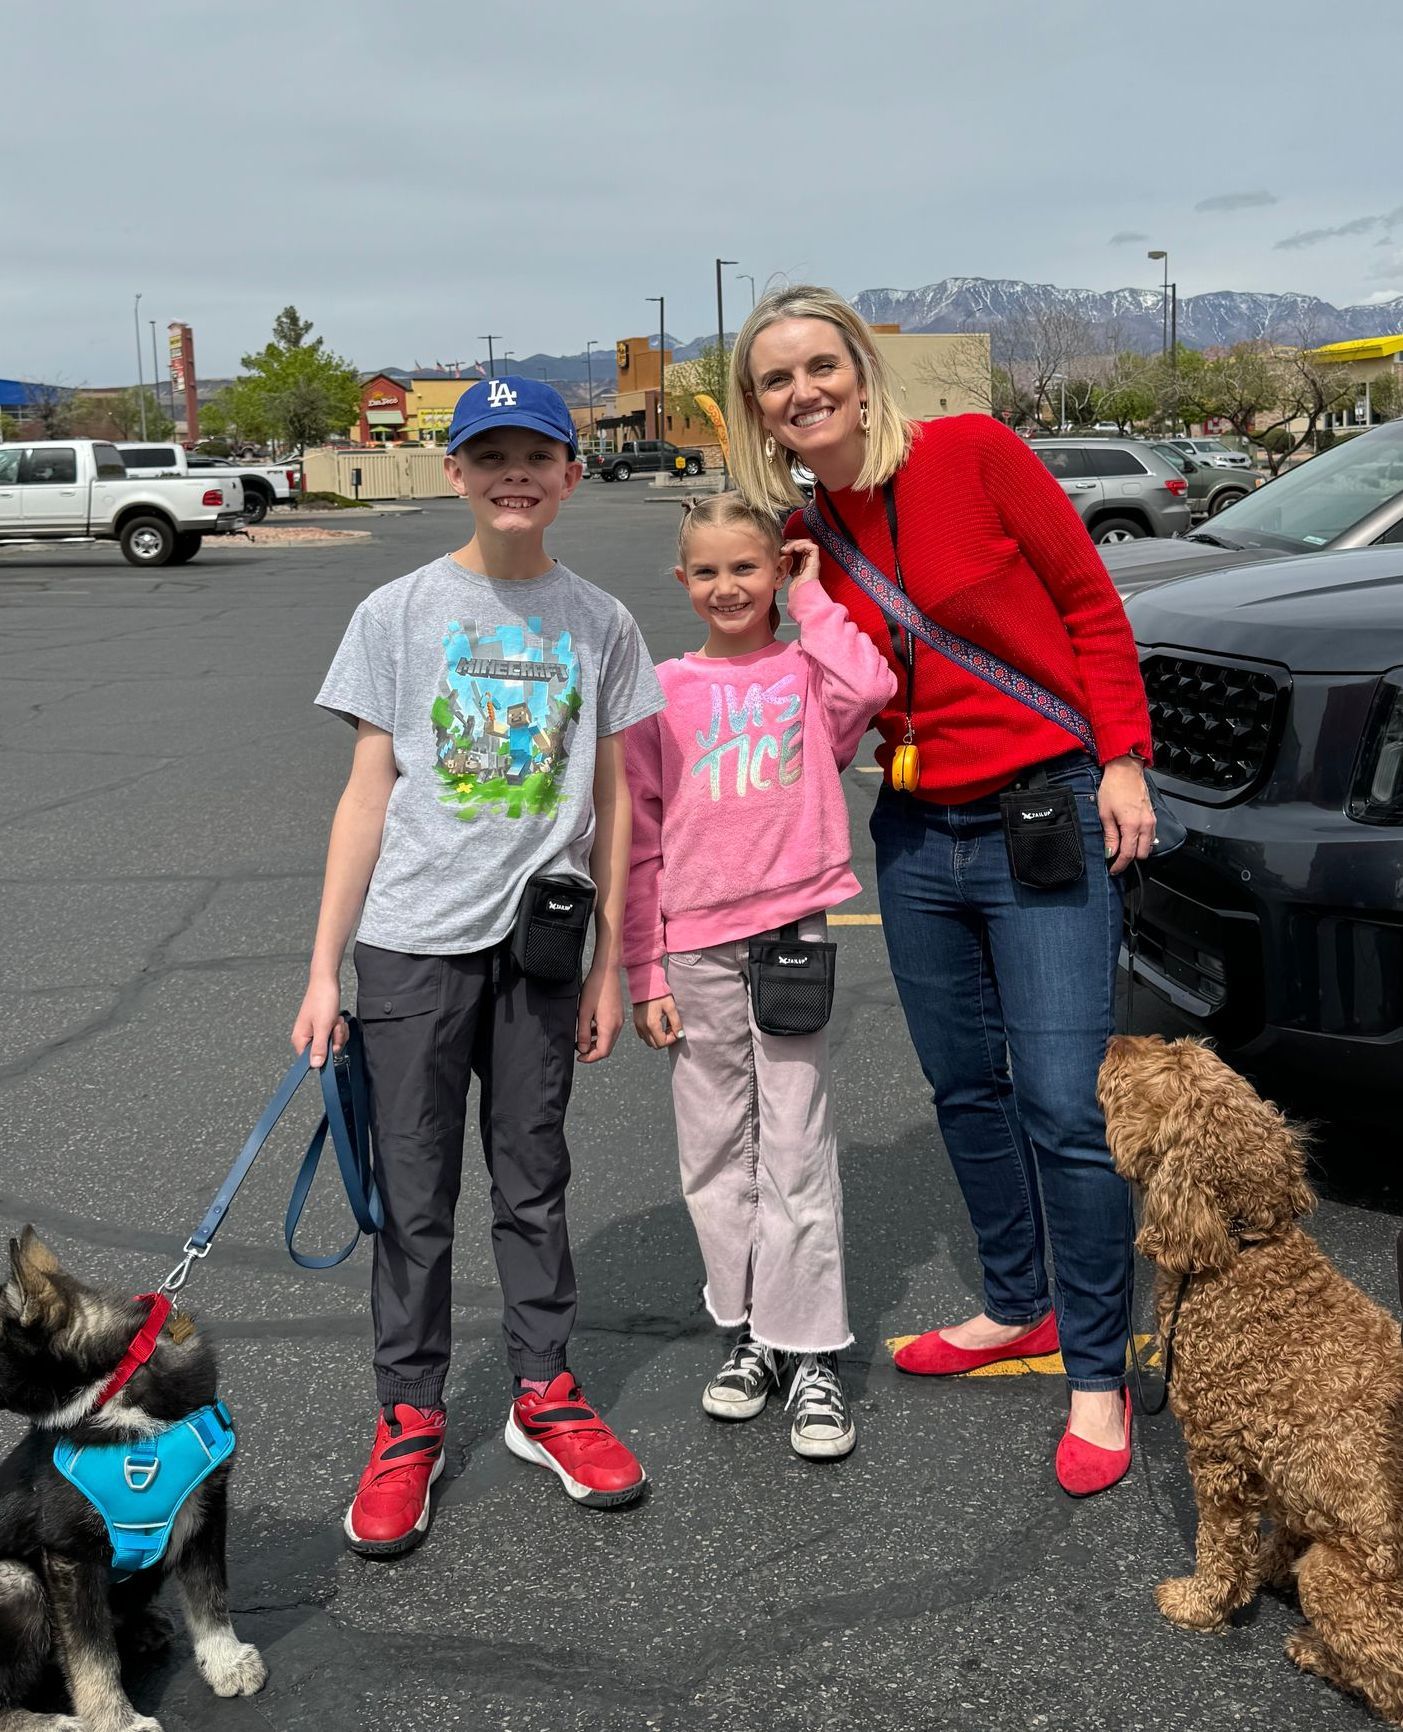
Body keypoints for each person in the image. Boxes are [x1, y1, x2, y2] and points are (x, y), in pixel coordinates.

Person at [727, 288, 1155, 1498]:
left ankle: (1093, 1362)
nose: (802, 391)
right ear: (759, 408)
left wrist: (1119, 756)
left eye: (821, 366)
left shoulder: (973, 452)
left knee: (1065, 1104)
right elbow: (810, 695)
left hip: (1041, 810)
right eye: (776, 379)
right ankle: (1014, 1304)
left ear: (861, 373)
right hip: (915, 827)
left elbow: (1086, 601)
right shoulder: (807, 531)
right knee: (963, 1084)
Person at [292, 377, 665, 1555]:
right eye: (488, 452)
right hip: (410, 945)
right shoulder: (396, 612)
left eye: (536, 454)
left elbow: (612, 796)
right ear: (452, 471)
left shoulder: (600, 621)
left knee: (532, 1178)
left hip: (542, 947)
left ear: (569, 474)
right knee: (413, 1197)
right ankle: (408, 1415)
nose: (514, 472)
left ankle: (542, 1393)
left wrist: (613, 961)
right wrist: (321, 972)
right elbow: (365, 795)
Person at [623, 493, 896, 1459]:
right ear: (682, 581)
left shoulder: (805, 673)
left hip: (787, 934)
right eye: (707, 572)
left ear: (775, 570)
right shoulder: (661, 690)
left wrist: (816, 596)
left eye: (747, 567)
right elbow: (640, 839)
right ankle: (747, 1333)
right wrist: (640, 971)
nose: (727, 587)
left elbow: (869, 683)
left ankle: (810, 1346)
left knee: (794, 1140)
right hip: (692, 943)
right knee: (711, 1150)